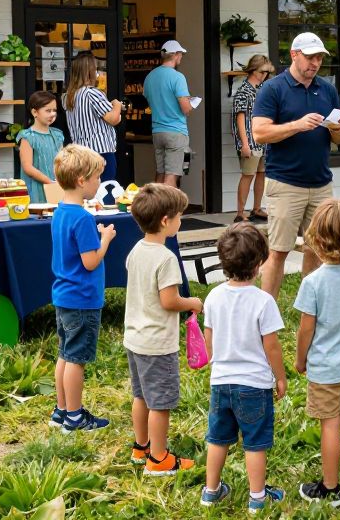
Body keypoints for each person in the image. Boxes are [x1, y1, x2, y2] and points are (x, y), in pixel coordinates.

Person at [251, 32, 340, 299]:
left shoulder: (327, 89)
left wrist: (338, 129)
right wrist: (297, 125)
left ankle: (309, 306)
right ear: (294, 55)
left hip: (320, 182)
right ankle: (265, 311)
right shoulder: (273, 88)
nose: (315, 63)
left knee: (318, 248)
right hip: (285, 182)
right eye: (310, 57)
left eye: (319, 58)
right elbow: (259, 133)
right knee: (279, 250)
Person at [201, 223, 288, 512]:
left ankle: (211, 491)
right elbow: (271, 346)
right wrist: (280, 377)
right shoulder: (264, 301)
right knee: (255, 443)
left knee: (218, 438)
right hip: (254, 385)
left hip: (221, 382)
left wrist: (215, 360)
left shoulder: (213, 296)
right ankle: (257, 498)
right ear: (260, 262)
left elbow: (209, 339)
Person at [124, 183, 204, 475]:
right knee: (161, 403)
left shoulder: (136, 250)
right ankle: (159, 459)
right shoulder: (166, 258)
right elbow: (169, 300)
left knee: (141, 395)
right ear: (165, 221)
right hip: (157, 344)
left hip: (135, 338)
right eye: (179, 216)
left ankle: (141, 447)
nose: (181, 220)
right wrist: (192, 302)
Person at [294, 200, 340, 506]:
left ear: (317, 238)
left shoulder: (312, 283)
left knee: (330, 425)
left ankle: (329, 488)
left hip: (326, 368)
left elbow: (305, 330)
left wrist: (300, 360)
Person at [49, 145, 117, 433]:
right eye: (97, 178)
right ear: (81, 180)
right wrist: (106, 239)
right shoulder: (84, 218)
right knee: (77, 359)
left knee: (65, 354)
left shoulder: (60, 212)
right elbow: (90, 262)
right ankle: (75, 417)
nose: (99, 183)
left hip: (64, 295)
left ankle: (62, 410)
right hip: (83, 298)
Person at [143, 40, 195, 187]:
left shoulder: (150, 77)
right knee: (172, 175)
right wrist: (190, 103)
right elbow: (186, 109)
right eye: (181, 54)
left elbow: (151, 101)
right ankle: (168, 210)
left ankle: (155, 209)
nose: (181, 58)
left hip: (157, 131)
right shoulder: (178, 77)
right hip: (175, 131)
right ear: (176, 55)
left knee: (160, 172)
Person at [64, 51, 121, 182]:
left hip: (80, 152)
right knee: (104, 190)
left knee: (86, 190)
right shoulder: (92, 93)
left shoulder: (68, 96)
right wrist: (117, 105)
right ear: (91, 71)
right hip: (101, 151)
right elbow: (113, 119)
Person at [232, 55, 275, 223]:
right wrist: (244, 143)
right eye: (262, 72)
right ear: (253, 70)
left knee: (261, 173)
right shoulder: (244, 90)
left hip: (263, 139)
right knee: (248, 175)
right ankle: (240, 212)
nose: (265, 75)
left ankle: (256, 208)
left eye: (267, 72)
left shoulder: (262, 89)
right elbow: (240, 118)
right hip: (249, 140)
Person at [16, 90, 65, 204]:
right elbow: (27, 167)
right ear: (34, 112)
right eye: (48, 110)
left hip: (57, 185)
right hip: (36, 188)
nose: (52, 114)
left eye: (54, 110)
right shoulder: (27, 136)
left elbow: (63, 161)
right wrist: (49, 182)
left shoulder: (57, 134)